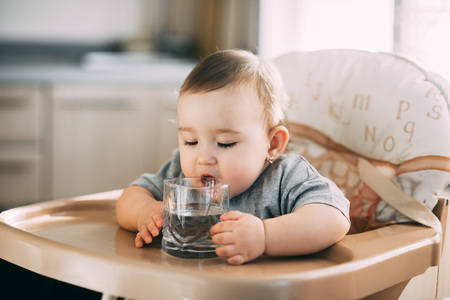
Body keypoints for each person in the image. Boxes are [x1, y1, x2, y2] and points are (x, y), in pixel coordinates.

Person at [116, 49, 350, 265]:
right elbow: (131, 195)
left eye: (225, 143)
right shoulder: (182, 173)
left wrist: (266, 236)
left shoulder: (285, 177)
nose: (203, 158)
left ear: (272, 144)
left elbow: (333, 217)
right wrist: (145, 211)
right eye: (191, 141)